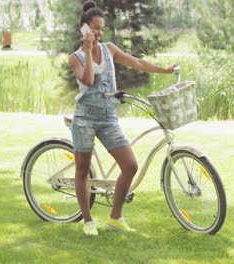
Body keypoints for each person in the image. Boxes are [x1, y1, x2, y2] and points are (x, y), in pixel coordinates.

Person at [69, 0, 176, 236]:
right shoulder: (76, 57)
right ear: (85, 28)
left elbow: (136, 62)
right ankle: (87, 221)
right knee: (82, 169)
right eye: (95, 27)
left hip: (108, 118)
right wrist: (87, 50)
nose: (99, 32)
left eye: (101, 28)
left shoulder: (109, 49)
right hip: (85, 119)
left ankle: (115, 217)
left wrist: (164, 70)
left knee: (130, 165)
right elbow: (87, 80)